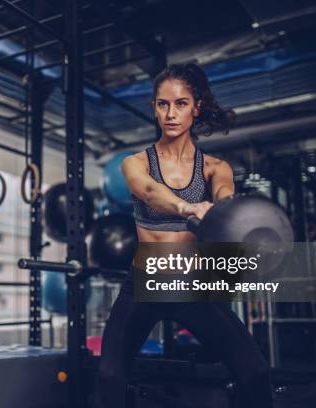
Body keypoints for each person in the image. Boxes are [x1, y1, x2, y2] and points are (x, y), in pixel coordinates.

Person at [96, 63, 272, 407]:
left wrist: (224, 214)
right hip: (144, 283)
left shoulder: (215, 168)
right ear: (154, 108)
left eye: (180, 103)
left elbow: (226, 202)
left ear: (197, 107)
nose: (171, 113)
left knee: (255, 373)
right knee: (109, 378)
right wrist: (187, 208)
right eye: (163, 104)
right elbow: (148, 191)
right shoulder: (136, 163)